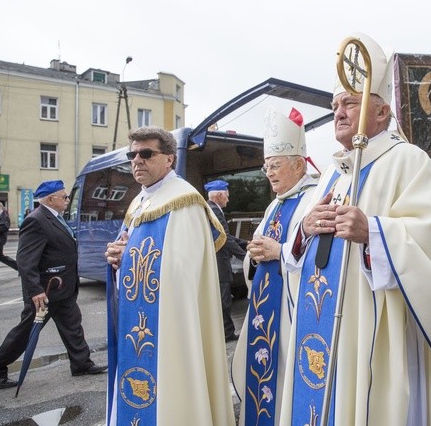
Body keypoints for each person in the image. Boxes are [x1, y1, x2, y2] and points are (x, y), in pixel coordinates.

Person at [279, 33, 431, 425]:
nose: (337, 112)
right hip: (322, 321)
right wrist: (303, 230)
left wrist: (373, 231)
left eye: (349, 103)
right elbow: (296, 251)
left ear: (383, 113)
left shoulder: (409, 161)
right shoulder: (333, 175)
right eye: (335, 104)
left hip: (376, 326)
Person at [104, 126, 235, 426]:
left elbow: (183, 273)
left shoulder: (184, 202)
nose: (137, 160)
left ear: (170, 159)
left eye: (146, 153)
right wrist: (116, 261)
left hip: (170, 328)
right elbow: (129, 253)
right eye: (132, 154)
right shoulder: (139, 202)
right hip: (139, 322)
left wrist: (129, 261)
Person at [231, 106, 319, 426]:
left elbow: (325, 258)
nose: (268, 172)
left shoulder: (315, 199)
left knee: (289, 378)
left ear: (298, 164)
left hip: (294, 311)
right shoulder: (273, 206)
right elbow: (257, 254)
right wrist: (253, 256)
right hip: (266, 312)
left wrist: (279, 251)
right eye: (266, 166)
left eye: (275, 165)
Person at [0, 180, 106, 389]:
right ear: (50, 199)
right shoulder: (36, 220)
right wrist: (35, 290)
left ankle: (81, 363)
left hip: (61, 287)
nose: (67, 200)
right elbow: (26, 260)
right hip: (45, 291)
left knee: (73, 326)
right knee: (25, 332)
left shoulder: (55, 217)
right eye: (64, 197)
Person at [204, 178, 246, 343]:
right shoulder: (213, 211)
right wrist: (244, 255)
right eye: (227, 196)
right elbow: (223, 238)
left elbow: (227, 236)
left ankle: (225, 332)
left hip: (217, 262)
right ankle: (227, 334)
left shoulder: (211, 209)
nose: (228, 199)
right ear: (219, 195)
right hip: (219, 263)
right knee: (224, 300)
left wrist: (245, 243)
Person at [0, 201, 18, 270]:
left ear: (1, 208)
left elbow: (3, 228)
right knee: (0, 256)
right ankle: (19, 267)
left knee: (0, 256)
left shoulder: (4, 216)